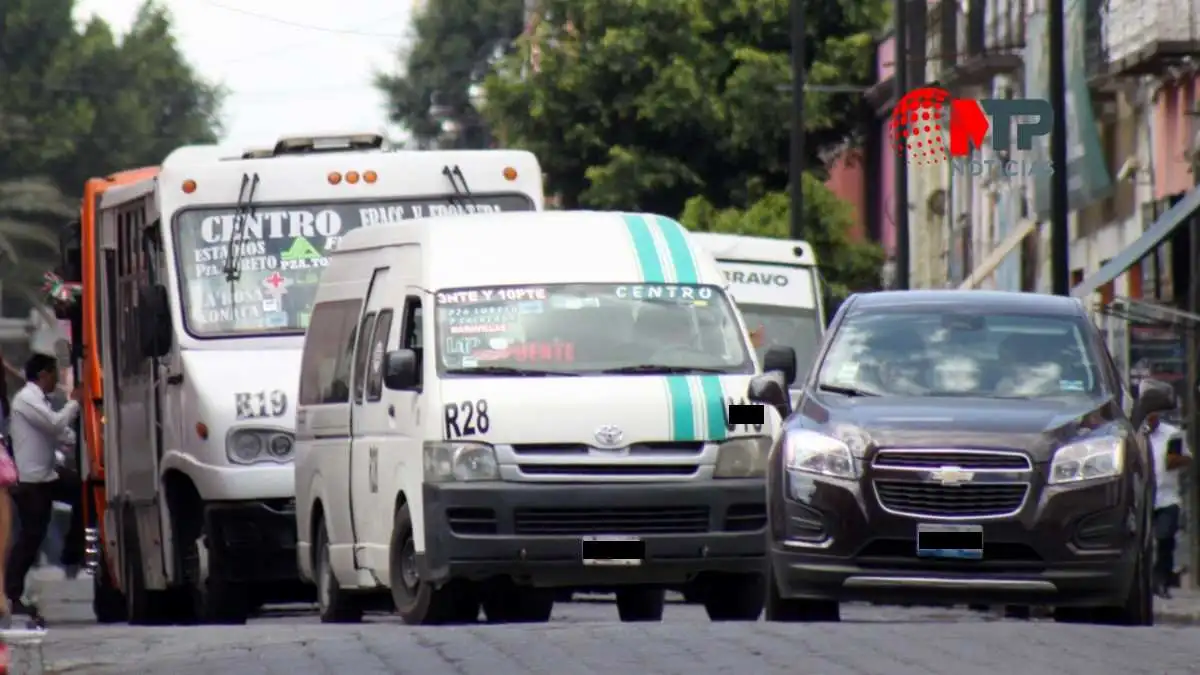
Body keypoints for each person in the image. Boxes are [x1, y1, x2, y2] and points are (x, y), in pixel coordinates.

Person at [5, 353, 82, 617]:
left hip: (48, 475)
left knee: (82, 489)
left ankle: (74, 547)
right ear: (43, 375)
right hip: (31, 481)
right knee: (31, 537)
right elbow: (54, 425)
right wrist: (74, 403)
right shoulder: (26, 399)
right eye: (54, 374)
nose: (57, 379)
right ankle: (10, 594)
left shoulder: (40, 400)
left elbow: (60, 432)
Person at [1147, 409, 1191, 598]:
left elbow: (1187, 458)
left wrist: (1174, 460)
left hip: (1167, 497)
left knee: (1165, 538)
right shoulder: (1135, 434)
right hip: (1143, 497)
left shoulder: (1172, 433)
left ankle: (1161, 581)